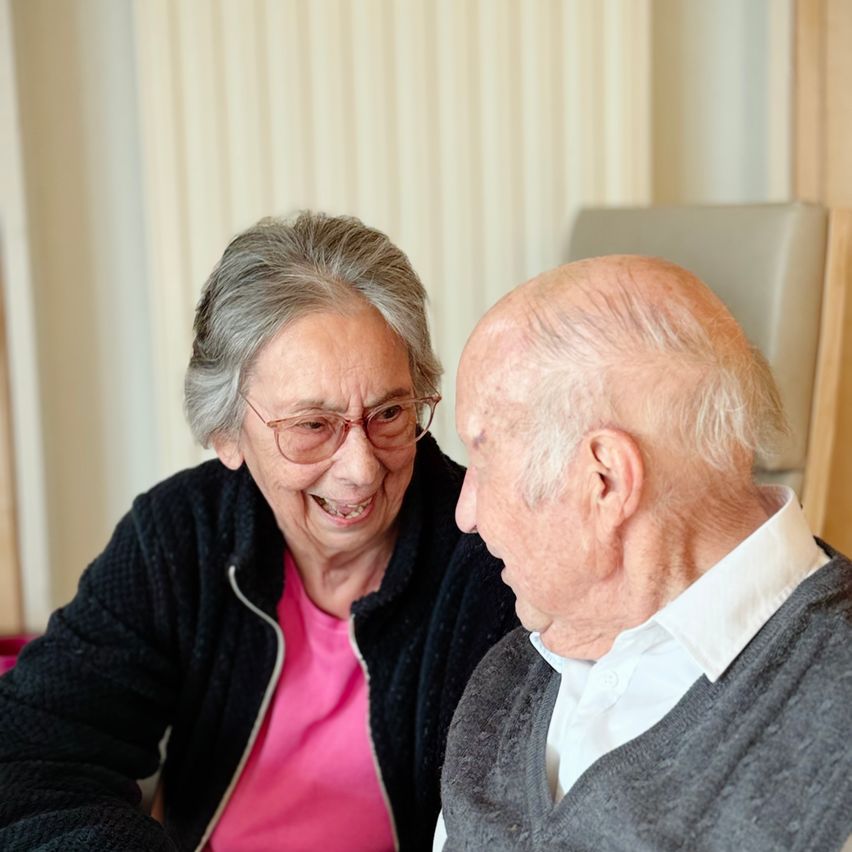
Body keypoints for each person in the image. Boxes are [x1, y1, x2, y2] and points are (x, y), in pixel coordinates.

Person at [0, 212, 517, 852]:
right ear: (227, 434)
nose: (360, 471)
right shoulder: (180, 536)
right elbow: (28, 759)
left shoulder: (494, 553)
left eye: (389, 412)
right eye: (311, 426)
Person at [437, 255, 852, 850]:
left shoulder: (834, 727)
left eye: (483, 456)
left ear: (604, 481)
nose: (466, 511)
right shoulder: (507, 683)